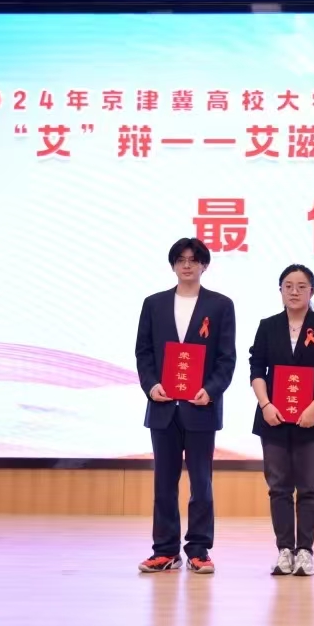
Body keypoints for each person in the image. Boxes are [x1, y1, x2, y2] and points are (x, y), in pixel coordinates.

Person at [134, 237, 236, 575]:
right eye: (181, 259)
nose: (187, 265)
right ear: (173, 265)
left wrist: (211, 390)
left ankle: (199, 550)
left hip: (200, 407)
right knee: (164, 483)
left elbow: (226, 357)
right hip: (163, 407)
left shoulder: (220, 305)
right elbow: (144, 352)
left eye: (194, 259)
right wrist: (152, 386)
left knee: (201, 483)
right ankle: (165, 550)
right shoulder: (154, 304)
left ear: (204, 265)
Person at [249, 264, 314, 577]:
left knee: (309, 487)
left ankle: (305, 551)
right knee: (278, 486)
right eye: (288, 286)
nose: (294, 291)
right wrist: (265, 404)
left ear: (312, 291)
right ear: (280, 290)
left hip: (311, 418)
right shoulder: (268, 326)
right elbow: (256, 369)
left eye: (302, 286)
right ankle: (284, 550)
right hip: (273, 417)